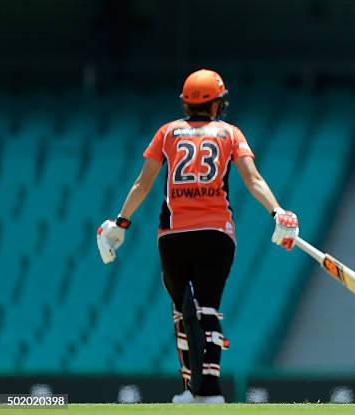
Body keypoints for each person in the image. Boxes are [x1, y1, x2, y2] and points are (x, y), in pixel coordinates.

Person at [96, 69, 299, 404]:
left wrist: (121, 222)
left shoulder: (167, 132)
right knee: (208, 309)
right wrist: (278, 211)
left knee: (182, 311)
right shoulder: (230, 133)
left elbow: (142, 184)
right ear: (217, 103)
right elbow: (253, 179)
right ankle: (210, 392)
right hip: (217, 233)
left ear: (186, 102)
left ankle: (192, 389)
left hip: (173, 235)